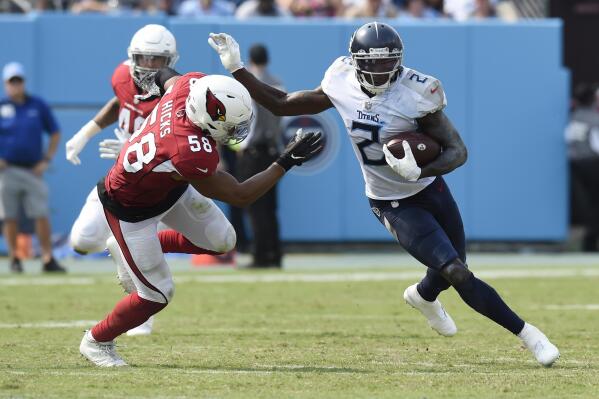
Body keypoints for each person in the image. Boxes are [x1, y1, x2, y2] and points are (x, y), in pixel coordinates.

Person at [208, 22, 560, 367]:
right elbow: (283, 103)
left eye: (386, 62)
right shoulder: (341, 80)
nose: (379, 72)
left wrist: (421, 169)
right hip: (390, 201)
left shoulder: (416, 91)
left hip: (430, 188)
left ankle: (423, 296)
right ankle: (529, 335)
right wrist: (237, 68)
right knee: (456, 271)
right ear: (356, 62)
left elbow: (458, 151)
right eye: (371, 63)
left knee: (454, 267)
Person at [78, 68, 322, 367]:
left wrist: (152, 88)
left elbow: (165, 73)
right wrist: (286, 161)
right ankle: (97, 341)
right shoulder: (189, 150)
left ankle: (137, 248)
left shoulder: (190, 86)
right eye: (231, 125)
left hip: (170, 188)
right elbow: (240, 195)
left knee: (224, 240)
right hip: (130, 209)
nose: (235, 132)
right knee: (157, 294)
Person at [66, 24, 179, 336]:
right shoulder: (121, 76)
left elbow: (177, 138)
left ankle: (143, 308)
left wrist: (134, 147)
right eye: (144, 58)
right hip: (119, 177)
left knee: (140, 247)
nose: (150, 66)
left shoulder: (176, 94)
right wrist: (86, 132)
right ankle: (123, 250)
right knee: (82, 241)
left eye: (158, 60)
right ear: (132, 57)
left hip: (156, 184)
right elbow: (121, 102)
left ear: (170, 60)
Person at [0, 62, 66, 274]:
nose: (15, 85)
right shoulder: (2, 107)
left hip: (33, 170)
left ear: (24, 82)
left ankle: (47, 258)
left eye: (18, 81)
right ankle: (15, 258)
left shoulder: (37, 105)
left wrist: (46, 159)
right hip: (7, 170)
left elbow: (55, 132)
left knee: (41, 214)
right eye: (12, 82)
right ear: (5, 84)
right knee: (9, 216)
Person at [237, 44, 284, 268]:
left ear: (250, 59)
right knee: (271, 207)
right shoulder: (277, 82)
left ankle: (260, 255)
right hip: (274, 150)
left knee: (255, 205)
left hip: (254, 151)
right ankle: (275, 253)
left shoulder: (247, 86)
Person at [565, 84, 599, 252]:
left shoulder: (573, 117)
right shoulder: (594, 119)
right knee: (595, 205)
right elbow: (596, 146)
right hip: (592, 164)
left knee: (586, 205)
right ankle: (590, 241)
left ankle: (589, 240)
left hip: (575, 165)